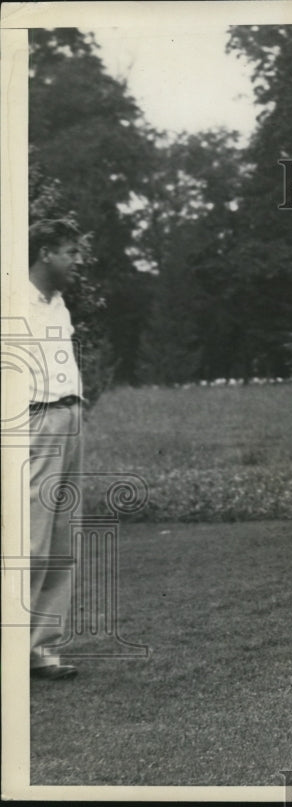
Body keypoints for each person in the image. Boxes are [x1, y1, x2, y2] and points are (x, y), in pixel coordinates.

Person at [27, 219, 85, 680]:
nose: (77, 260)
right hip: (34, 419)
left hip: (70, 416)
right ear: (45, 253)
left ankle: (40, 649)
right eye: (70, 251)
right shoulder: (12, 299)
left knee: (64, 539)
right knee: (32, 540)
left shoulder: (60, 304)